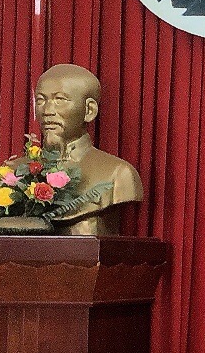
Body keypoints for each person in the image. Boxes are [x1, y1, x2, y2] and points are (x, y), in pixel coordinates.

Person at [32, 63, 144, 236]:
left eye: (60, 100)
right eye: (41, 100)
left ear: (89, 110)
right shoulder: (14, 173)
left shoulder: (118, 173)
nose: (47, 111)